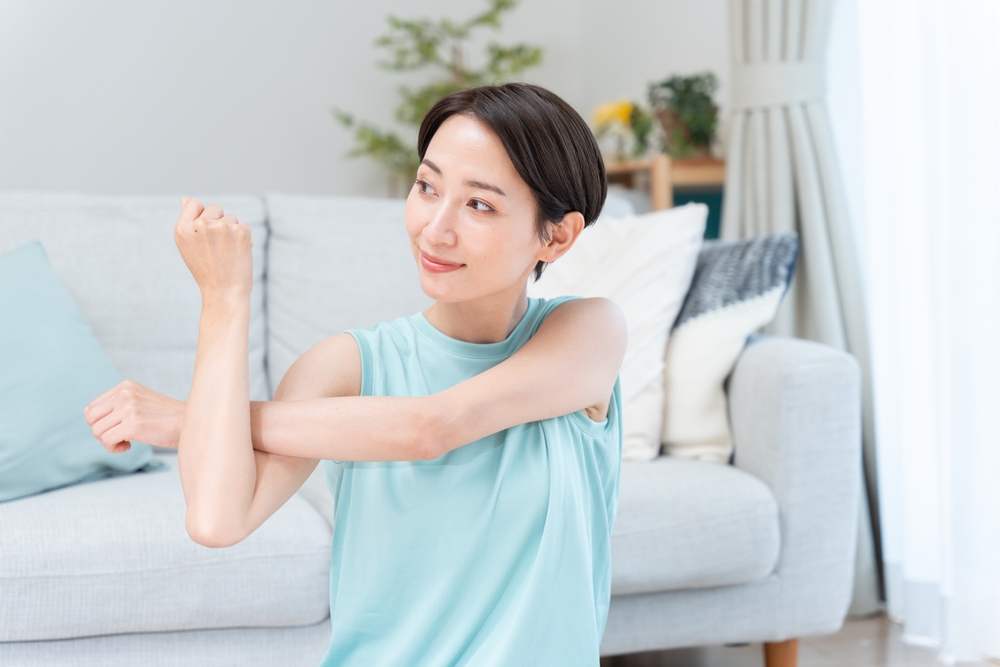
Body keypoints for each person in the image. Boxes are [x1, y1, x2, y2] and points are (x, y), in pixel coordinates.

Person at [85, 83, 627, 665]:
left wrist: (187, 421)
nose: (435, 229)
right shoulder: (345, 367)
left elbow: (431, 428)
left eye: (480, 205)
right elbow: (218, 520)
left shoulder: (587, 333)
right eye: (427, 187)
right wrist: (224, 299)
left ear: (558, 235)